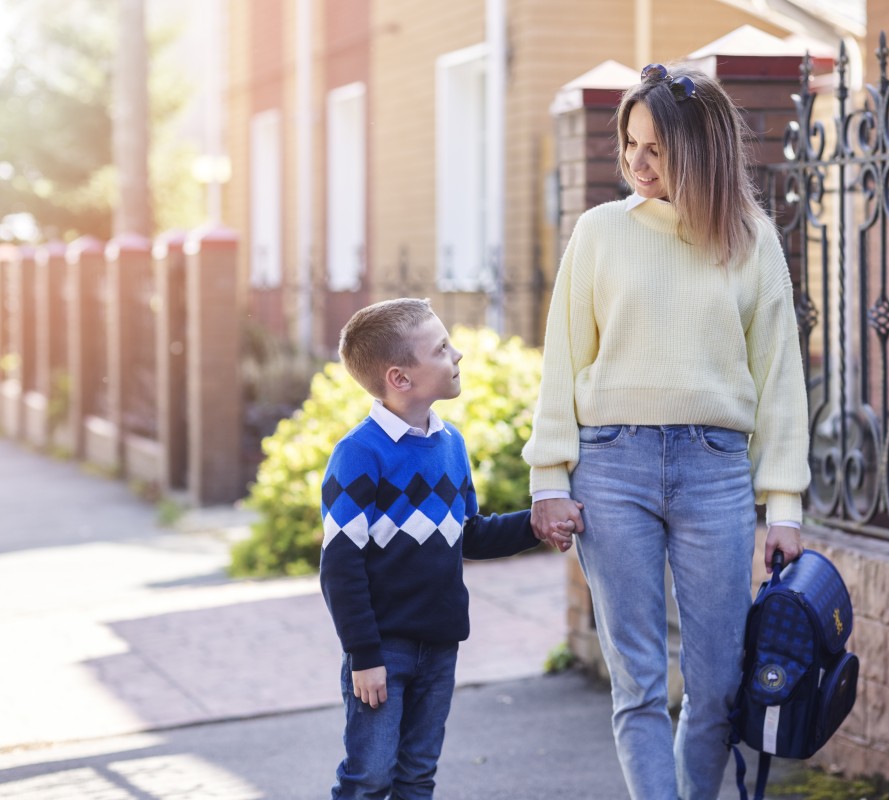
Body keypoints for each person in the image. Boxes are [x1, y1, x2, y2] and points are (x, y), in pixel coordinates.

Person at [523, 63, 811, 800]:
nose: (637, 162)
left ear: (700, 148)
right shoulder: (600, 232)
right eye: (630, 144)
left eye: (655, 147)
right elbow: (563, 359)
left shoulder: (751, 241)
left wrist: (783, 504)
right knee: (640, 684)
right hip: (610, 466)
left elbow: (780, 379)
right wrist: (548, 478)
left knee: (717, 687)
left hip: (716, 470)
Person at [320, 297, 574, 800]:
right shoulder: (358, 454)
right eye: (440, 349)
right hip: (383, 650)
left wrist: (537, 524)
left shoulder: (450, 444)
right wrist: (363, 655)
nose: (457, 355)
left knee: (417, 774)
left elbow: (468, 533)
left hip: (439, 645)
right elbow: (340, 566)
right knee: (370, 776)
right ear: (400, 378)